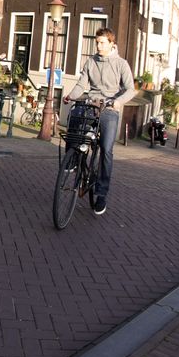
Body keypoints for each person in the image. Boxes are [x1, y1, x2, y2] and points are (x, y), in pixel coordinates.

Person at [65, 28, 137, 216]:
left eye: (102, 42)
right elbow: (81, 84)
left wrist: (118, 101)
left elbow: (130, 89)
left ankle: (102, 194)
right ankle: (71, 160)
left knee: (106, 149)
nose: (98, 46)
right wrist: (70, 96)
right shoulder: (91, 61)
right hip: (92, 103)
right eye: (97, 42)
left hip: (110, 108)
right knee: (75, 117)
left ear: (112, 44)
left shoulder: (121, 64)